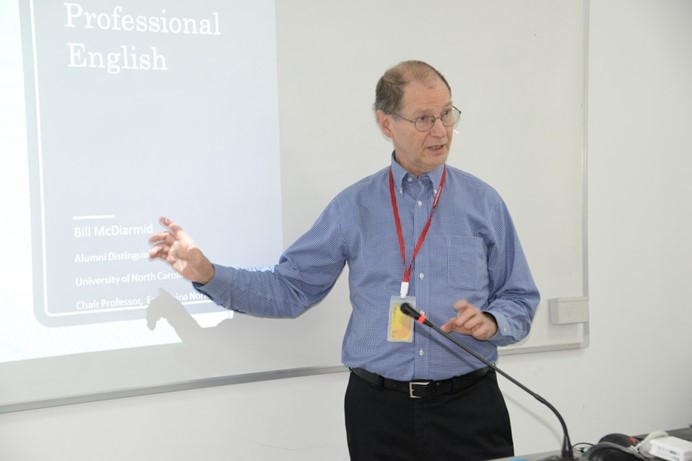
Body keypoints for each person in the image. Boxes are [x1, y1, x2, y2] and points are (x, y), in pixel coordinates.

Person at [148, 60, 539, 461]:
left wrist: (493, 322)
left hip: (469, 407)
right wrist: (209, 274)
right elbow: (291, 288)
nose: (441, 131)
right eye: (424, 118)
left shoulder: (483, 203)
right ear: (386, 123)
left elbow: (519, 296)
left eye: (446, 114)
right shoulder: (353, 207)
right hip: (380, 413)